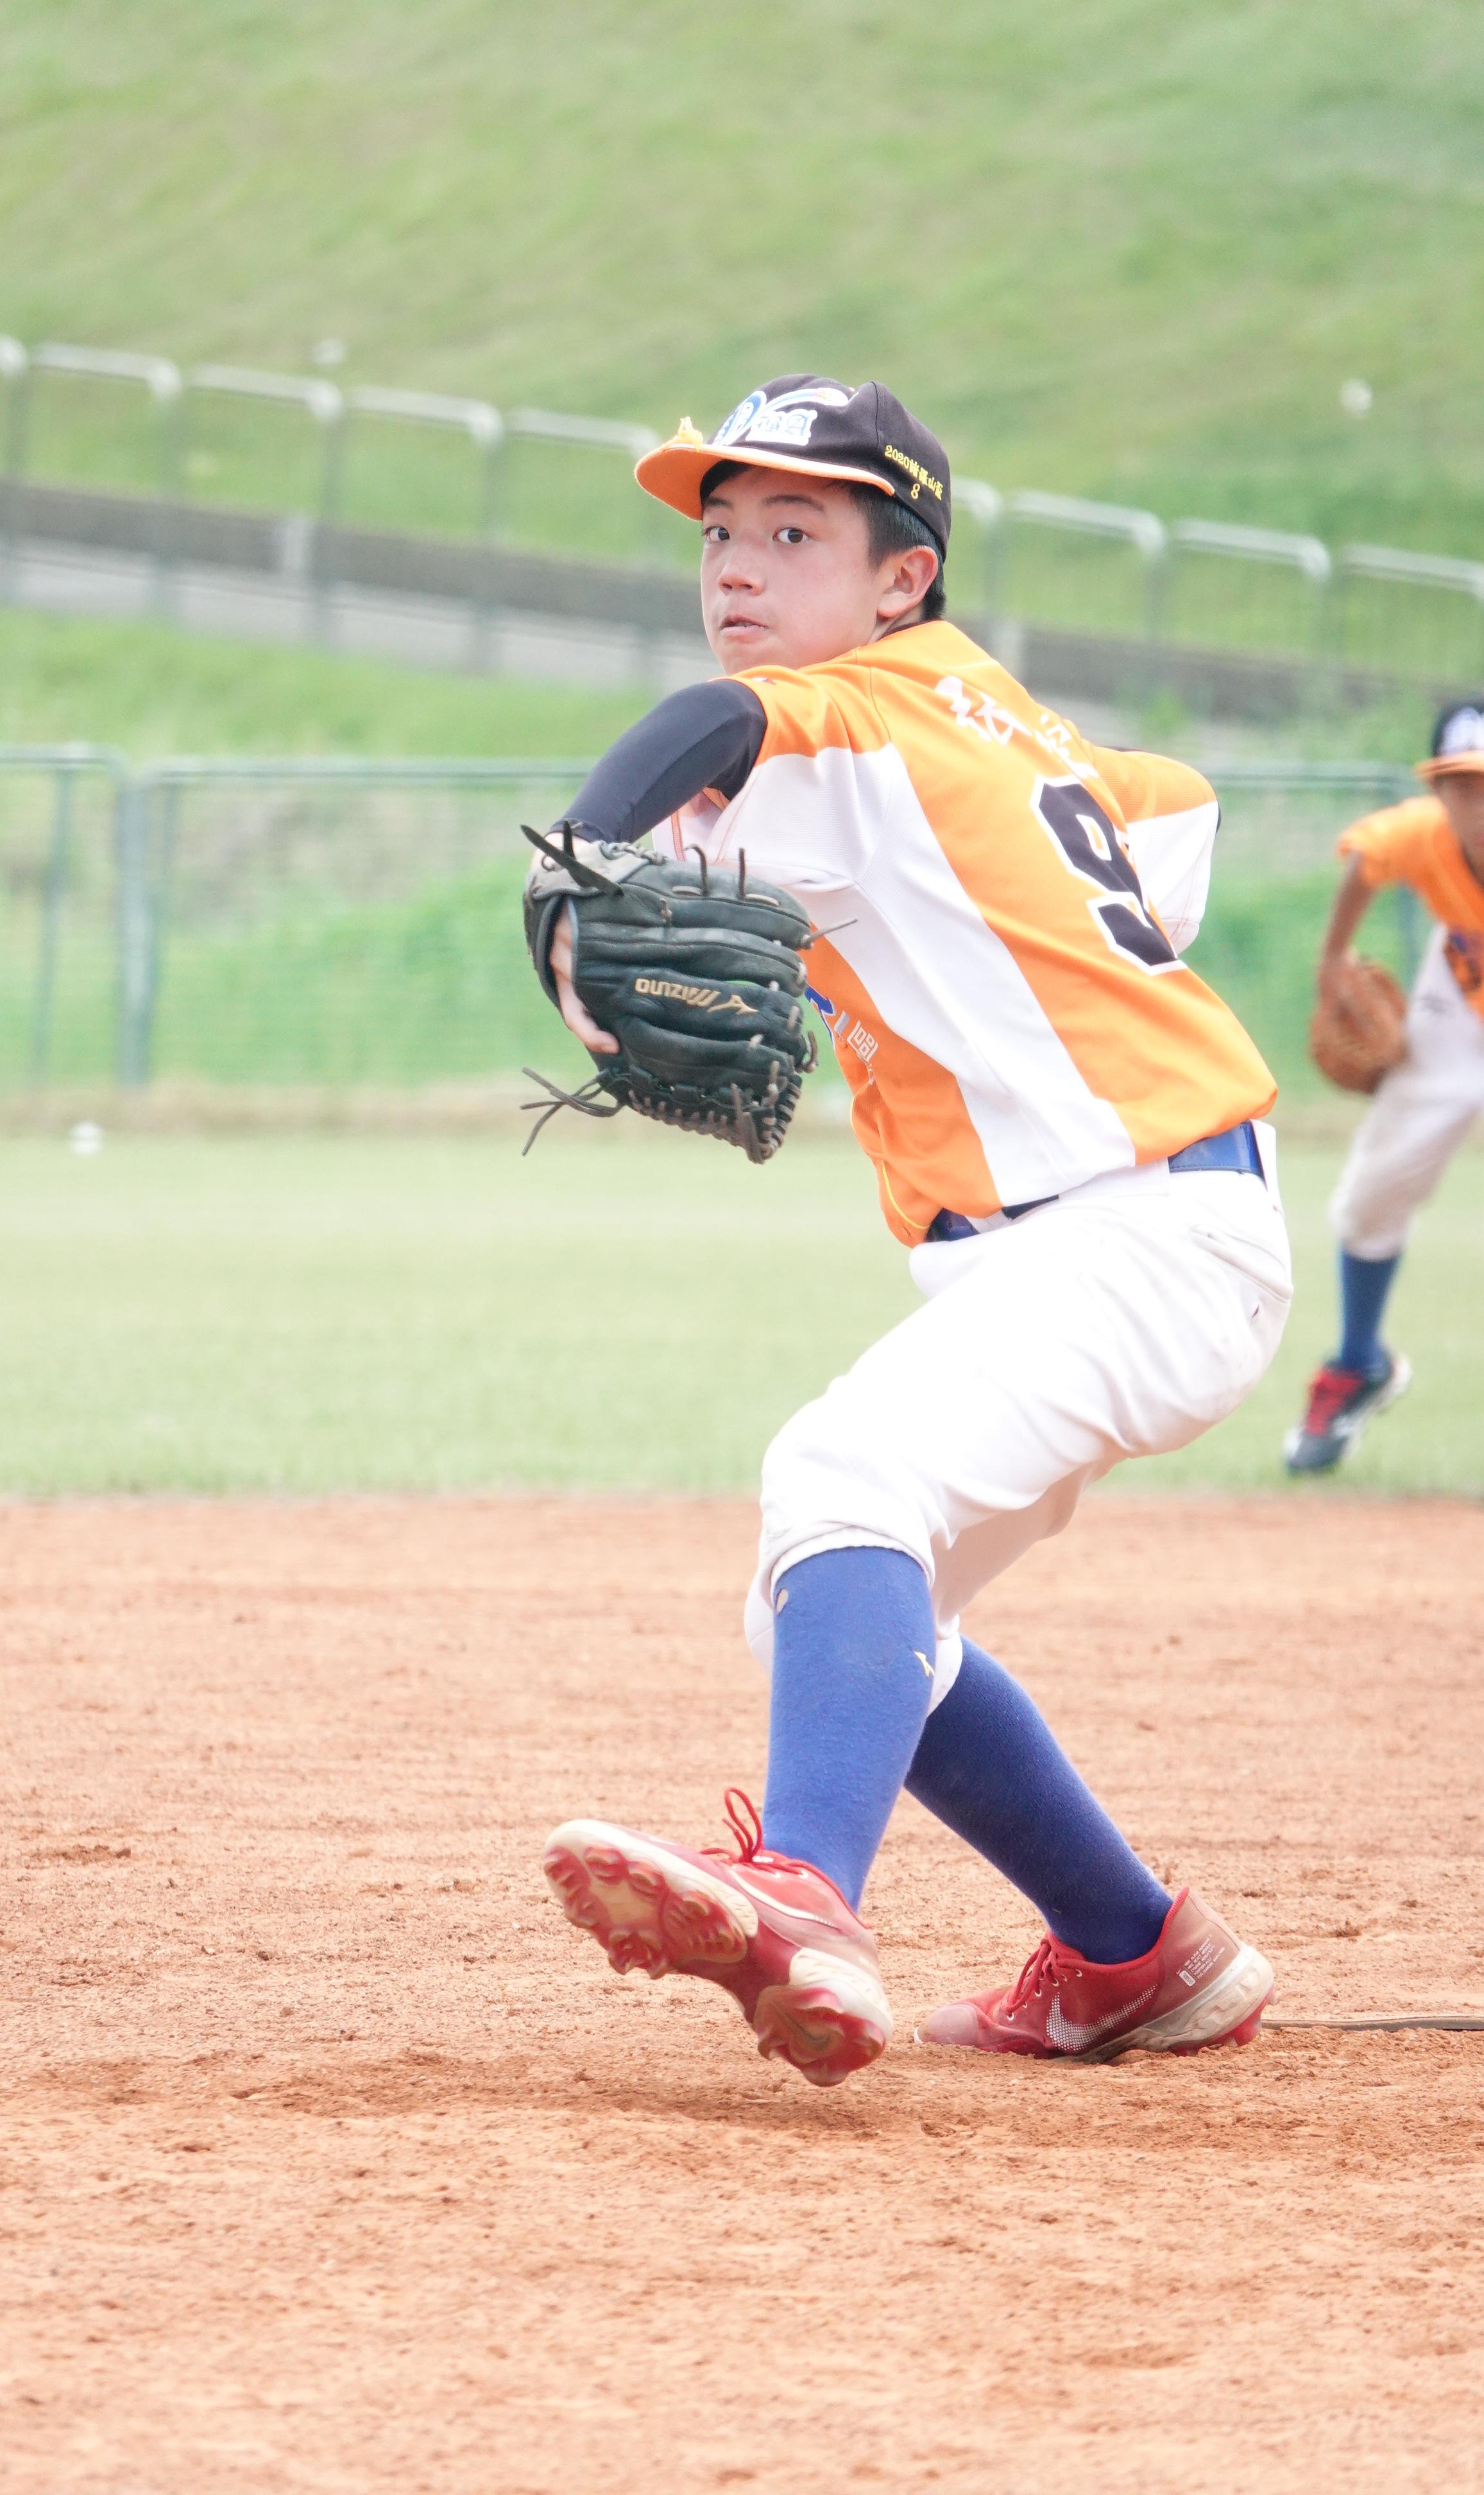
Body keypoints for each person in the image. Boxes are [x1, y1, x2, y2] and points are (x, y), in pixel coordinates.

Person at [532, 377, 1292, 2086]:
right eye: (722, 533)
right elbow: (1170, 809)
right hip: (1124, 1236)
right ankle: (1137, 1954)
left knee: (841, 1472)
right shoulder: (996, 725)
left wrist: (580, 856)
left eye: (796, 531)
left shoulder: (849, 718)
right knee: (836, 1612)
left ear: (904, 577)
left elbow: (709, 723)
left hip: (1134, 1235)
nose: (738, 566)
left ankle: (804, 1896)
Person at [1284, 700, 1484, 1473]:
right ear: (1438, 792)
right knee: (1372, 1193)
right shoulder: (1422, 835)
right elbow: (1365, 864)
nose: (1477, 804)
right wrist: (1334, 958)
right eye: (1461, 785)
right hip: (1458, 996)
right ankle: (1358, 1362)